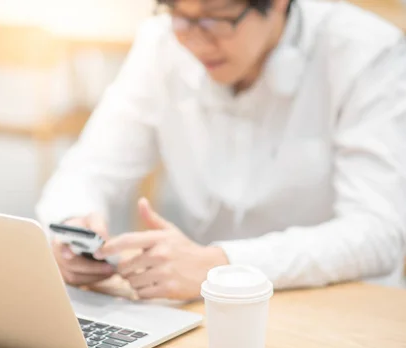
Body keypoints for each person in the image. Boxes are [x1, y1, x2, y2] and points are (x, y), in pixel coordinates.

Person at [36, 0, 406, 300]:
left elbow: (378, 233)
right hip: (205, 306)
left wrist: (221, 264)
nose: (195, 40)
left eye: (217, 19)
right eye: (179, 14)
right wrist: (72, 229)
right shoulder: (162, 41)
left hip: (338, 305)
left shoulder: (365, 53)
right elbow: (89, 168)